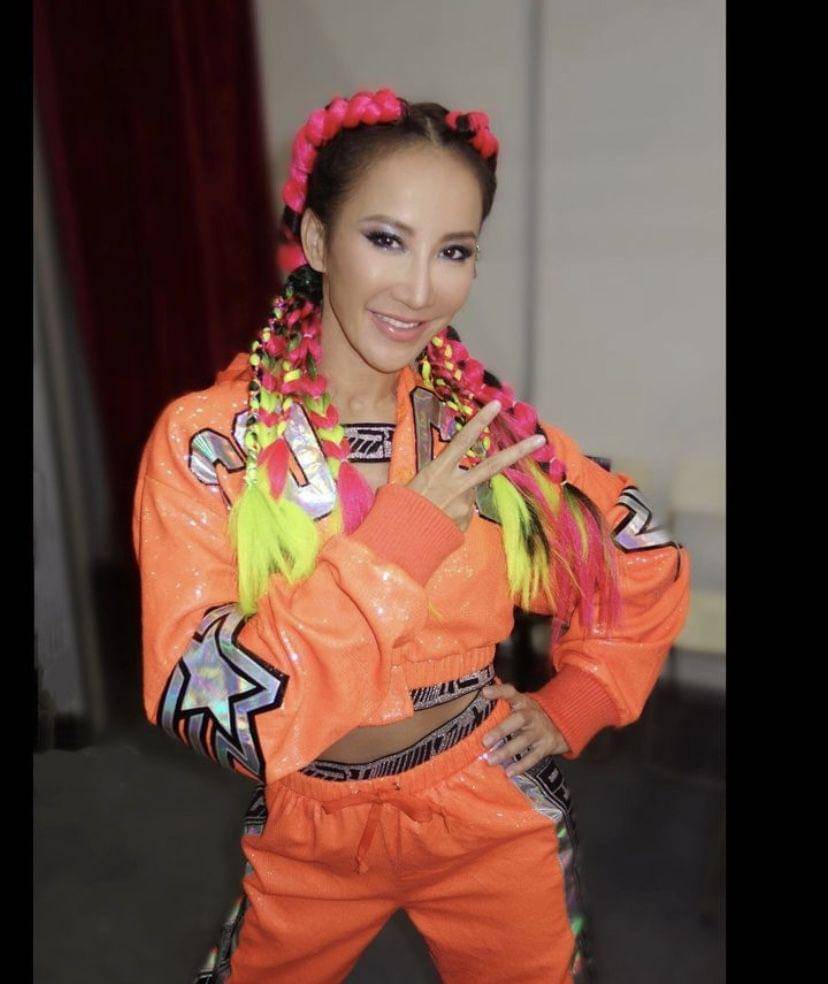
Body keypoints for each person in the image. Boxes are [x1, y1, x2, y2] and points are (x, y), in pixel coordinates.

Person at [132, 88, 691, 983]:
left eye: (454, 251)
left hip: (483, 811)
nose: (421, 289)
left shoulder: (485, 437)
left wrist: (578, 698)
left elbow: (637, 554)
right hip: (309, 826)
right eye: (387, 240)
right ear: (317, 240)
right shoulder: (211, 442)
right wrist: (397, 550)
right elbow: (207, 706)